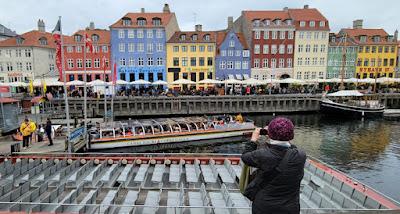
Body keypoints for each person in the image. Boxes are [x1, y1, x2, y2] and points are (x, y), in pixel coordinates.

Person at [241, 117, 306, 214]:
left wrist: (253, 140)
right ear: (291, 135)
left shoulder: (263, 155)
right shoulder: (301, 155)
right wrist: (275, 136)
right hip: (290, 208)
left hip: (264, 207)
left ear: (270, 133)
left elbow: (245, 157)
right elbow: (290, 148)